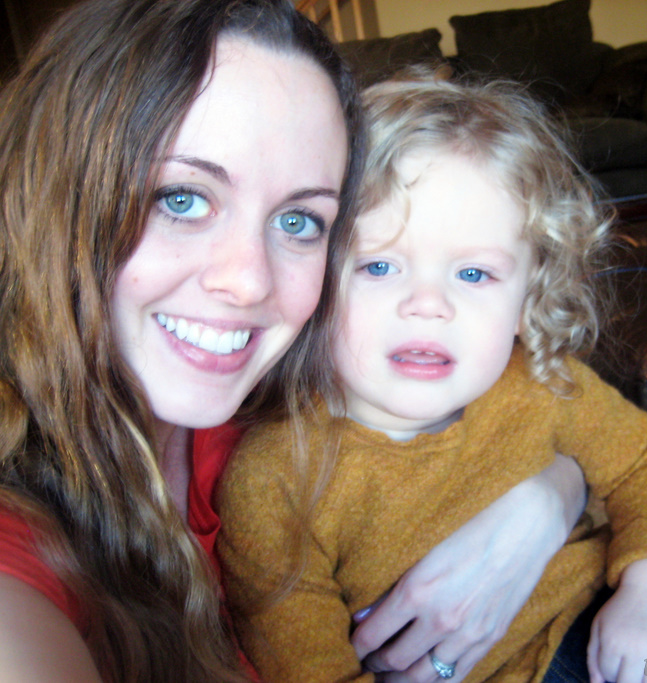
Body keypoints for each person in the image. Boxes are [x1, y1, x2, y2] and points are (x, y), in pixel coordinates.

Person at [0, 1, 594, 681]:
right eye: (182, 198)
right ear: (54, 198)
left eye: (299, 221)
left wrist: (549, 499)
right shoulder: (21, 548)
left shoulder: (286, 400)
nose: (250, 280)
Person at [216, 74, 647, 683]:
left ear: (529, 298)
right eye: (380, 266)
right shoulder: (273, 482)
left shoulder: (541, 381)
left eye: (473, 274)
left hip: (595, 618)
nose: (428, 305)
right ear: (312, 277)